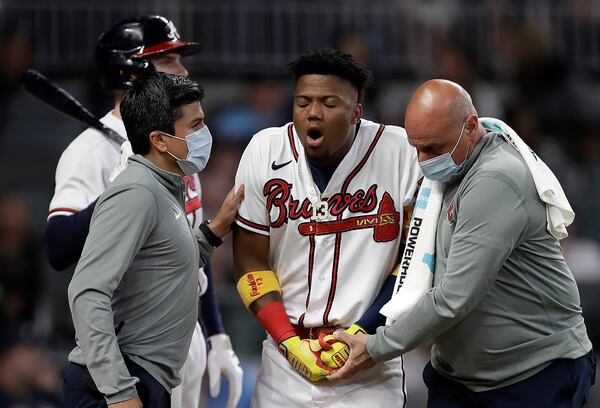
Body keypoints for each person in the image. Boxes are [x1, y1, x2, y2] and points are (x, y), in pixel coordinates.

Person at [329, 79, 596, 407]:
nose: (424, 161)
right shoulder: (445, 175)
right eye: (417, 148)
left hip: (534, 374)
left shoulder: (495, 179)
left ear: (470, 127)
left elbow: (454, 297)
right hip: (458, 377)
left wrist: (375, 347)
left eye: (433, 148)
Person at [43, 16, 242, 408]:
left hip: (180, 336)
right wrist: (123, 187)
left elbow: (185, 254)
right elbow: (57, 248)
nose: (182, 70)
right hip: (128, 346)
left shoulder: (180, 141)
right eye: (169, 62)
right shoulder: (91, 151)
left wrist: (216, 334)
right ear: (130, 71)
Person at [232, 48, 420, 407]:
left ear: (356, 112)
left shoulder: (400, 152)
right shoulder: (264, 149)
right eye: (303, 102)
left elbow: (411, 264)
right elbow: (251, 262)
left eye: (329, 103)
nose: (313, 113)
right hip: (284, 362)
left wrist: (366, 331)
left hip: (369, 363)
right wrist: (287, 340)